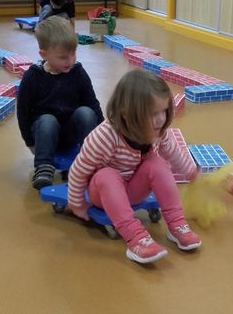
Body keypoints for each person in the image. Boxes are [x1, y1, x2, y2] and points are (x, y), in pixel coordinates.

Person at [67, 69, 202, 264]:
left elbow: (173, 152)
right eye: (153, 114)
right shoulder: (104, 136)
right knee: (107, 174)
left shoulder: (158, 131)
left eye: (164, 111)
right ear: (125, 114)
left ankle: (176, 224)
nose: (161, 119)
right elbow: (79, 170)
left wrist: (190, 171)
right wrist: (77, 203)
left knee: (157, 163)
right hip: (103, 195)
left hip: (132, 189)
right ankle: (135, 237)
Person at [17, 16, 103, 190]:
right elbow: (23, 112)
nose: (70, 61)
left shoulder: (78, 72)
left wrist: (105, 137)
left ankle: (91, 161)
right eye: (63, 57)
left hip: (70, 132)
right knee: (47, 119)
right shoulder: (33, 77)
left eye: (74, 54)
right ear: (44, 54)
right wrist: (30, 142)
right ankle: (43, 167)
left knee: (86, 112)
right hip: (44, 134)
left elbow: (93, 104)